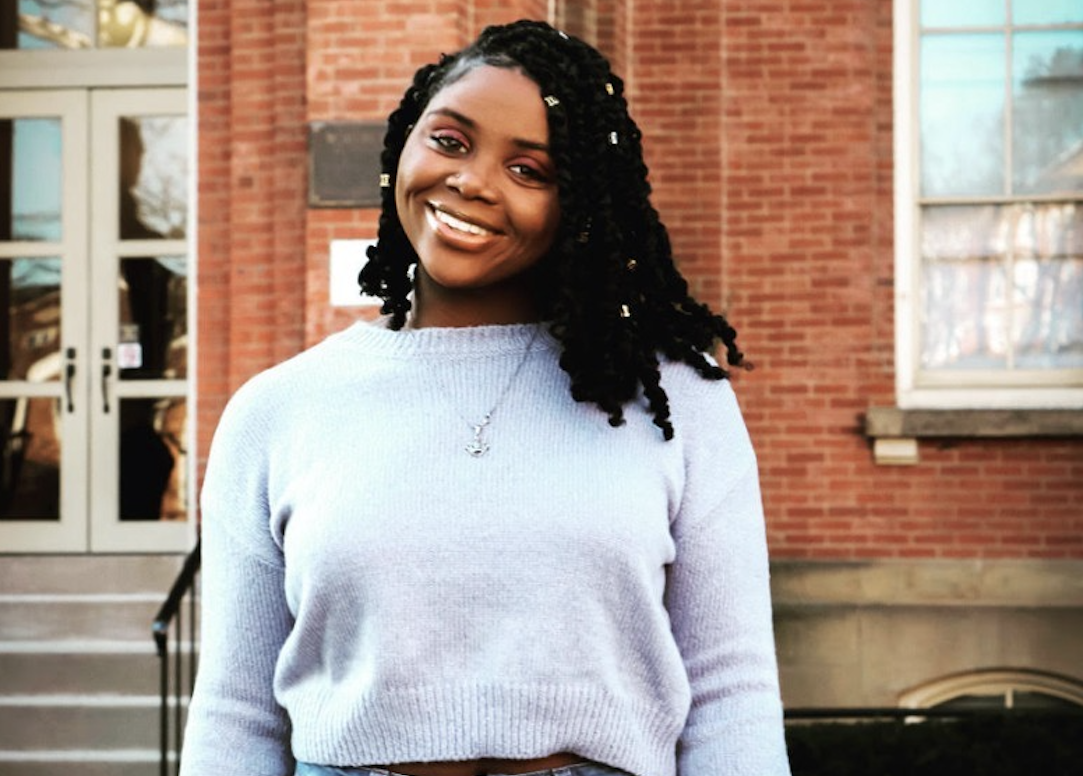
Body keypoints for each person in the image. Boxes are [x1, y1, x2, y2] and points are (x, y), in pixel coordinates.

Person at [181, 19, 792, 776]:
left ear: (581, 206)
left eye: (530, 170)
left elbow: (729, 691)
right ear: (404, 142)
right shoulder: (278, 410)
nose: (473, 181)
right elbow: (236, 713)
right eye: (450, 141)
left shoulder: (673, 398)